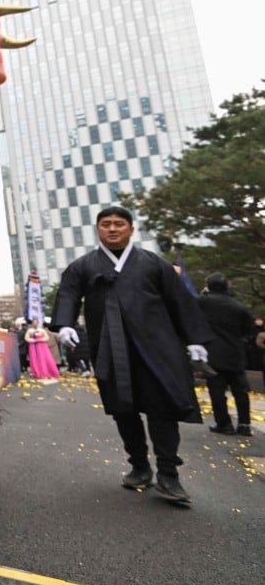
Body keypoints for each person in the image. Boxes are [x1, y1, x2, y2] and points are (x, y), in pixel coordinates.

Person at [50, 206, 213, 504]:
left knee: (161, 407)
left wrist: (194, 340)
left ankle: (168, 474)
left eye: (119, 224)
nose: (112, 229)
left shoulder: (154, 264)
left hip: (158, 347)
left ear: (131, 229)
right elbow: (69, 294)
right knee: (123, 408)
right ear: (98, 229)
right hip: (110, 349)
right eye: (106, 224)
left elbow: (180, 301)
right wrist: (64, 325)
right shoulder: (82, 266)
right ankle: (139, 465)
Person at [196, 273, 254, 436]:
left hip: (212, 353)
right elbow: (249, 332)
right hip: (235, 353)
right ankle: (244, 424)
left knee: (217, 390)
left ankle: (224, 423)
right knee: (240, 390)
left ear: (208, 285)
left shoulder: (201, 302)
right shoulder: (239, 306)